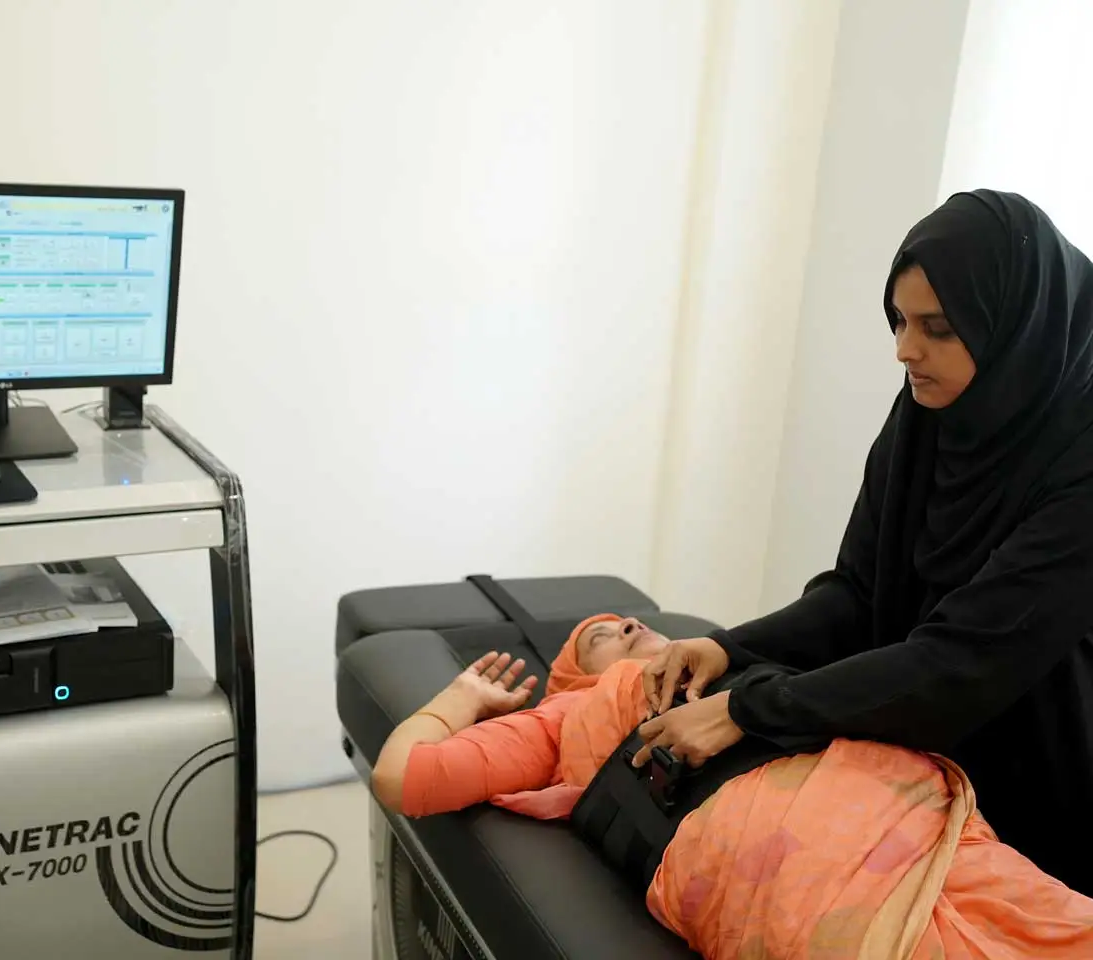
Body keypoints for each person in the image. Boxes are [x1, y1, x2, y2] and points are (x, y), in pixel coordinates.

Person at [634, 189, 1093, 896]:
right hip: (919, 781)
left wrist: (748, 706)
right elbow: (858, 592)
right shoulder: (929, 409)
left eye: (938, 327)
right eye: (901, 321)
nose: (905, 350)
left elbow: (963, 662)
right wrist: (732, 647)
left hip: (1048, 808)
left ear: (1013, 325)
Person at [373, 615, 1093, 960]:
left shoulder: (730, 660)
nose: (626, 625)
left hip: (909, 821)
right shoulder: (566, 723)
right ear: (580, 680)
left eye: (629, 621)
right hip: (809, 885)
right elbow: (403, 777)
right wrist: (458, 700)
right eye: (601, 639)